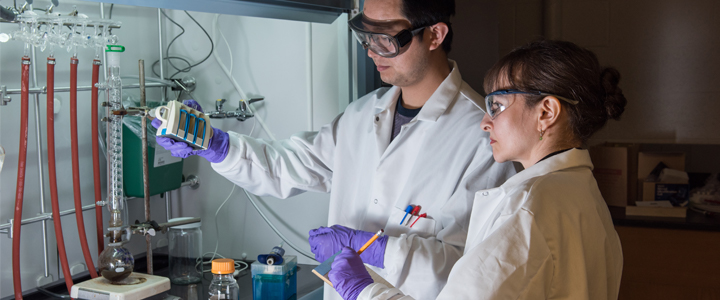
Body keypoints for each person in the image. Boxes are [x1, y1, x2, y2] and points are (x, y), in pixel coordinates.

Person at [152, 0, 515, 299]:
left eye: (386, 38)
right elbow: (288, 166)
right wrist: (217, 145)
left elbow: (468, 270)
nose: (373, 50)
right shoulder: (362, 116)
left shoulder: (482, 136)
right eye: (365, 36)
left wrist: (374, 247)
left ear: (435, 34)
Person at [324, 39, 627, 300]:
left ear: (546, 112)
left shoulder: (526, 207)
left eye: (496, 106)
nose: (485, 122)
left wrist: (363, 290)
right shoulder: (584, 196)